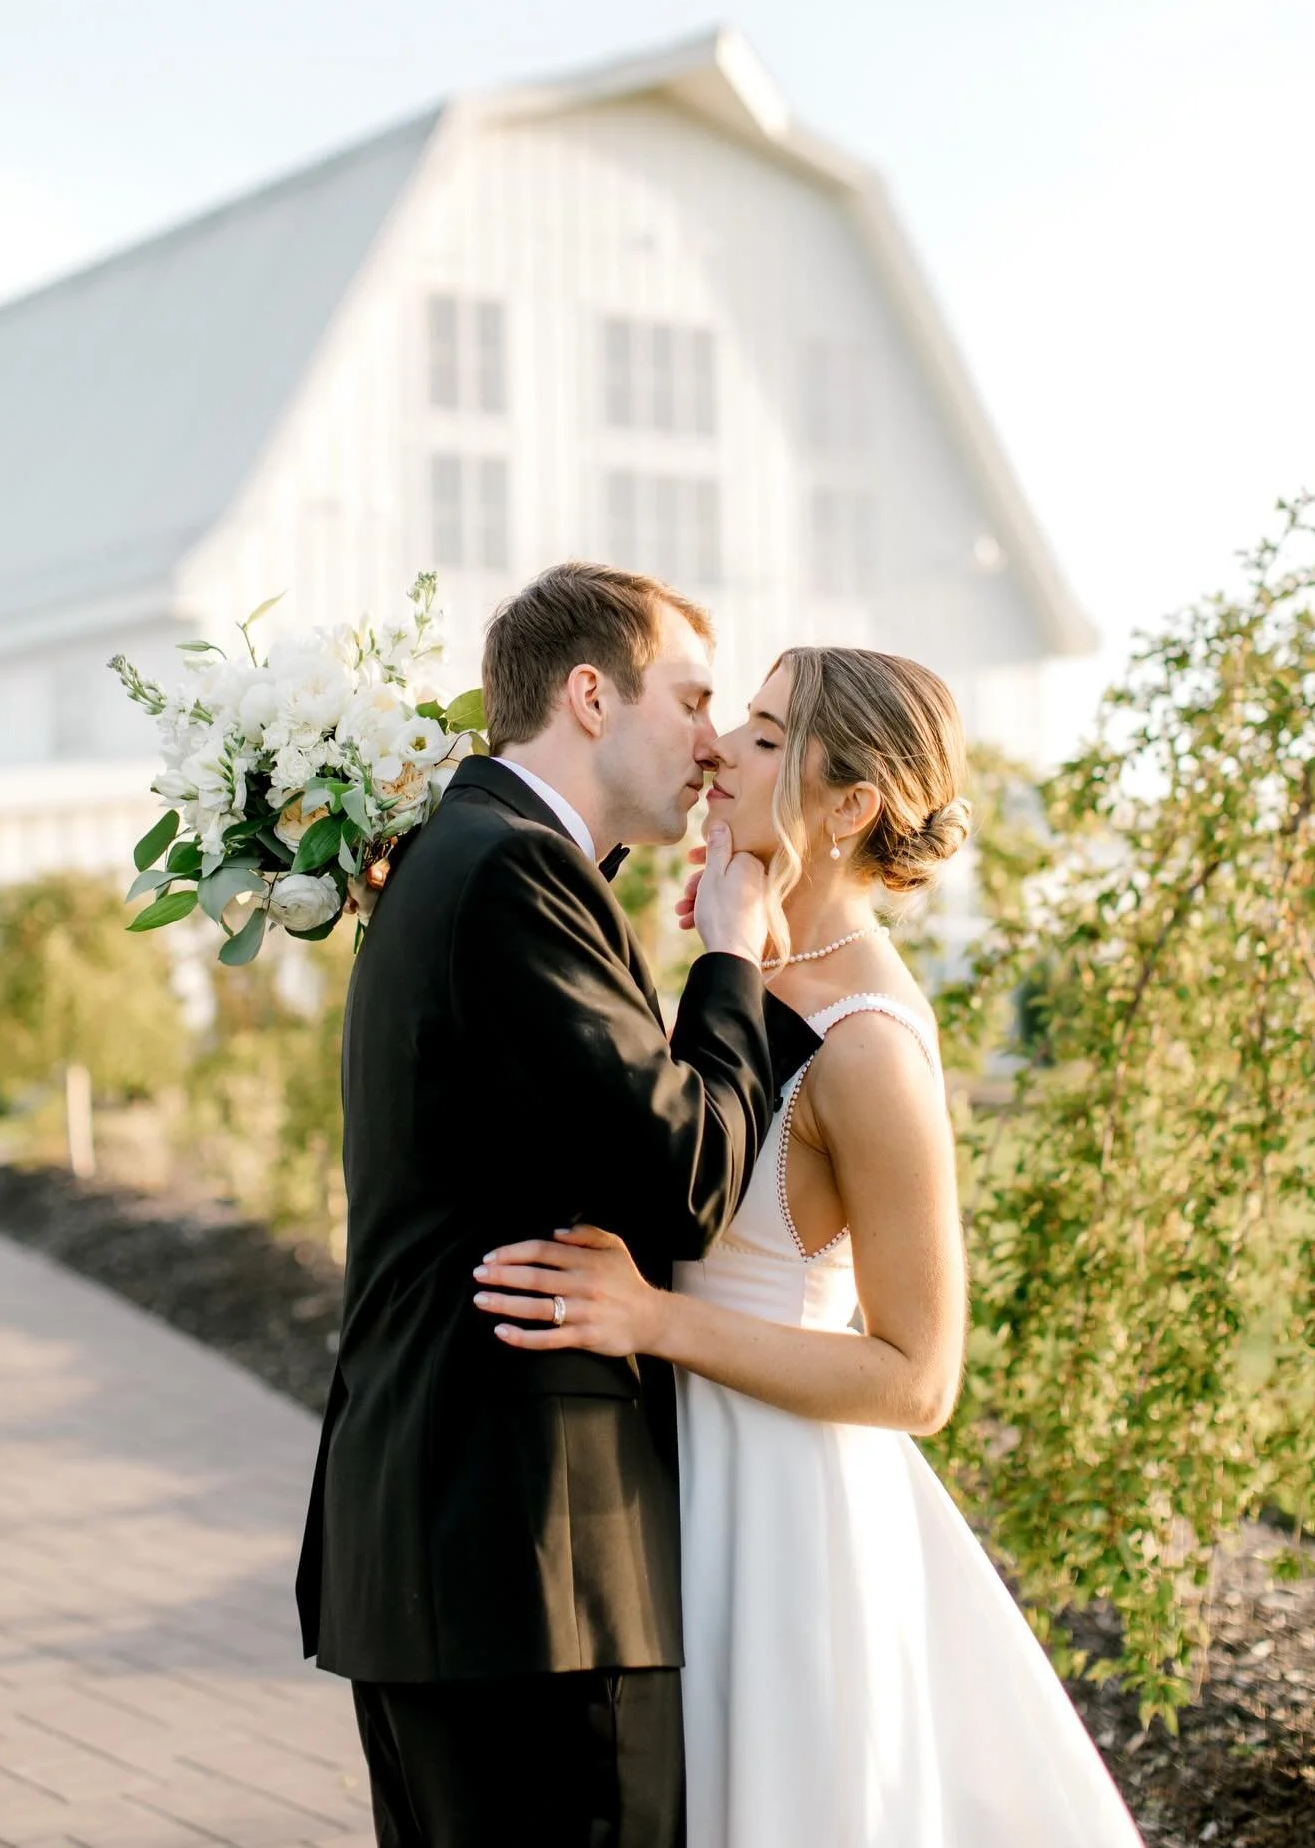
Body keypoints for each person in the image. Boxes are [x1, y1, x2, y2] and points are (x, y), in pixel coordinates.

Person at [473, 645, 1146, 1847]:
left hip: (790, 1522)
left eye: (772, 735)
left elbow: (919, 1375)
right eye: (741, 718)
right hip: (685, 1479)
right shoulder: (744, 960)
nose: (723, 744)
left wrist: (654, 1318)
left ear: (852, 805)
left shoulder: (873, 1047)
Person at [296, 564, 819, 1848]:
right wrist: (734, 952)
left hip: (453, 1554)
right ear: (591, 693)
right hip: (534, 1565)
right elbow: (685, 1177)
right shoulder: (509, 873)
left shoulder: (457, 857)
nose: (712, 744)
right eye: (694, 699)